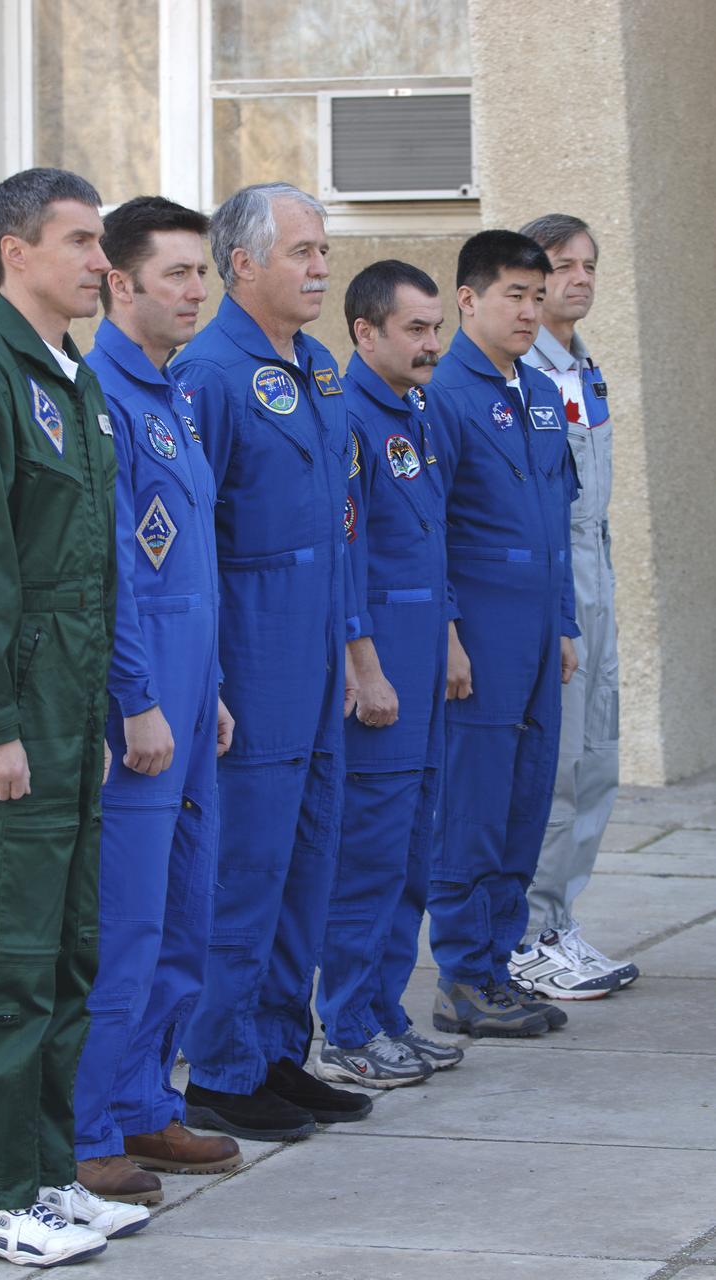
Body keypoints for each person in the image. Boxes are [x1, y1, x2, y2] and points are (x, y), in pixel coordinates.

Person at [0, 168, 150, 1267]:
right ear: (16, 250)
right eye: (83, 241)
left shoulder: (70, 380)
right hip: (11, 720)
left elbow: (87, 568)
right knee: (0, 960)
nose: (104, 261)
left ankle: (46, 1174)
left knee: (63, 952)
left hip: (67, 710)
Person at [173, 182, 371, 1140]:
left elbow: (344, 522)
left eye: (324, 250)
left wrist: (357, 649)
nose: (320, 267)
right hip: (255, 658)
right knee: (246, 872)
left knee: (308, 868)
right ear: (242, 264)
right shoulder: (210, 373)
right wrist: (208, 679)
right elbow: (190, 544)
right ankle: (218, 1066)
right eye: (301, 251)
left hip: (319, 653)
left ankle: (278, 1052)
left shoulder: (320, 367)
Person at [70, 196, 242, 1201]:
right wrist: (136, 698)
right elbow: (114, 575)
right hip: (137, 711)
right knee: (126, 926)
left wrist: (206, 691)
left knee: (184, 917)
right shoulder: (102, 398)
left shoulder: (171, 394)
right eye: (173, 273)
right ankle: (89, 1125)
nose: (194, 290)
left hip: (186, 702)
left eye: (199, 272)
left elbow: (192, 570)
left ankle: (145, 1103)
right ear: (117, 283)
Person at [425, 230, 580, 1038]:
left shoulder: (545, 394)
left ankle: (498, 964)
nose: (529, 310)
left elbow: (558, 519)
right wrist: (446, 634)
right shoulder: (442, 396)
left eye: (535, 294)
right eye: (513, 296)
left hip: (535, 631)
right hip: (478, 635)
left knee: (525, 801)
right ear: (467, 301)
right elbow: (430, 527)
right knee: (474, 805)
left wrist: (563, 623)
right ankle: (460, 974)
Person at [315, 260, 463, 1086]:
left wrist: (448, 640)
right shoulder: (348, 420)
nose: (432, 343)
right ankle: (345, 1025)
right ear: (366, 332)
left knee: (411, 855)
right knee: (368, 857)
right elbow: (349, 554)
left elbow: (427, 540)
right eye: (415, 328)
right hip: (380, 678)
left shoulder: (416, 412)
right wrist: (363, 666)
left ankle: (384, 1012)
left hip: (421, 661)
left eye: (436, 327)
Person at [509, 213, 637, 997]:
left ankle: (559, 919)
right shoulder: (521, 374)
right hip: (555, 584)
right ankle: (524, 934)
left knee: (598, 759)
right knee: (553, 766)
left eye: (590, 265)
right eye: (563, 265)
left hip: (599, 577)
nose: (580, 279)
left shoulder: (582, 369)